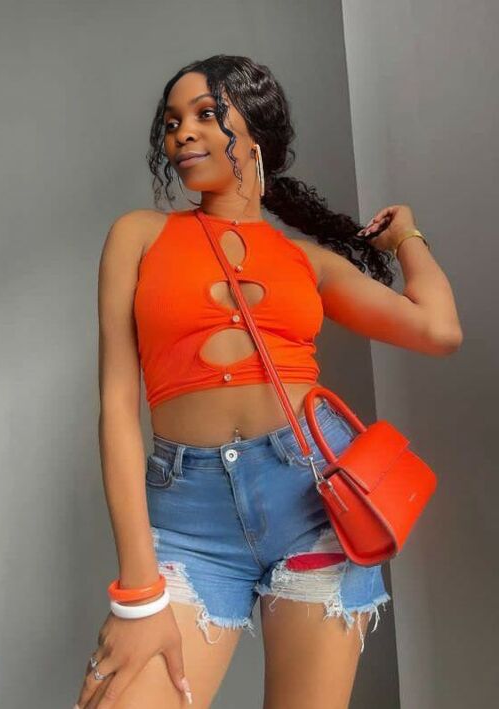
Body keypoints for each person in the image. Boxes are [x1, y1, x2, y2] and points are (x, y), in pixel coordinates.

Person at [73, 55, 463, 709]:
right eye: (172, 122)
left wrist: (406, 238)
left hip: (314, 503)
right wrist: (138, 592)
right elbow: (116, 405)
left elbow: (438, 330)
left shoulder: (306, 260)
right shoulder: (137, 236)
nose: (182, 133)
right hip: (188, 518)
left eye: (206, 114)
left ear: (255, 134)